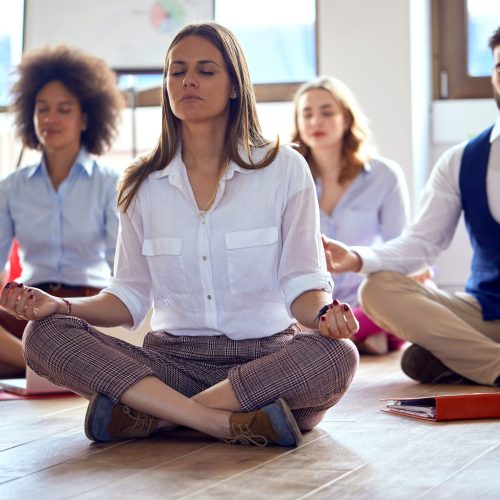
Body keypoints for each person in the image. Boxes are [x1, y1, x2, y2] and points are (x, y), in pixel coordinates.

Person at [0, 23, 359, 447]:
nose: (187, 80)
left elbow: (302, 282)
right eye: (176, 71)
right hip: (170, 365)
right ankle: (220, 422)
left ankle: (158, 418)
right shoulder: (140, 183)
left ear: (233, 86)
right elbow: (127, 297)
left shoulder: (283, 167)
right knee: (44, 334)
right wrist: (60, 305)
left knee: (336, 355)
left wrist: (324, 316)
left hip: (267, 361)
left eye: (206, 71)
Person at [322, 26, 500, 387]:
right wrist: (355, 259)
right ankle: (492, 365)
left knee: (421, 361)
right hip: (488, 311)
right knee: (376, 290)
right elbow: (421, 245)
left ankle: (465, 359)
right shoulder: (462, 161)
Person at [0, 45, 124, 377]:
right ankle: (44, 368)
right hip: (26, 308)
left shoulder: (110, 183)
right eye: (42, 109)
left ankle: (41, 368)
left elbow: (122, 271)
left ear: (85, 118)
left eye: (64, 109)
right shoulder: (11, 187)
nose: (50, 119)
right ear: (30, 114)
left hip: (84, 308)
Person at [291, 76, 409, 354]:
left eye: (327, 112)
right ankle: (354, 337)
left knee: (406, 296)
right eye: (306, 113)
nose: (315, 121)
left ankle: (343, 334)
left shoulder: (384, 175)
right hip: (310, 303)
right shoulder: (289, 178)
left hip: (367, 300)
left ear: (346, 118)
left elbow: (400, 247)